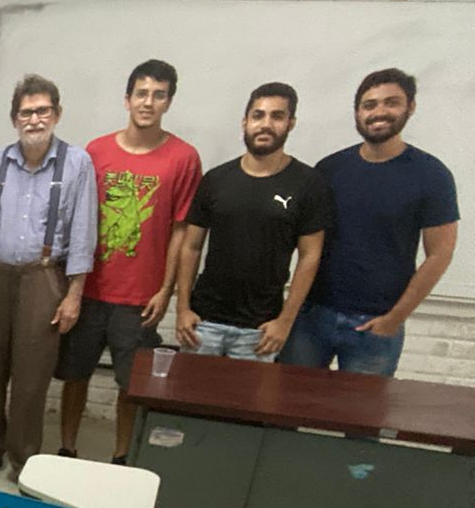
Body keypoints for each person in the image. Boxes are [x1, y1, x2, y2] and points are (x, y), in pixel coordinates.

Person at [56, 58, 201, 464]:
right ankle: (67, 447)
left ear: (168, 102)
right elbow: (79, 220)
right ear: (127, 99)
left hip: (140, 298)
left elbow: (181, 231)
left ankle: (122, 456)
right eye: (141, 93)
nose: (148, 102)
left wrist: (167, 290)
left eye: (158, 95)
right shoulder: (96, 151)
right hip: (91, 291)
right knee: (75, 376)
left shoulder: (183, 158)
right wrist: (72, 286)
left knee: (131, 385)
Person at [0, 73, 96, 482]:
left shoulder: (77, 163)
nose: (34, 120)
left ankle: (25, 460)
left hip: (43, 278)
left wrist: (74, 294)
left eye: (42, 111)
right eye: (25, 112)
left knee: (32, 377)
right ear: (14, 118)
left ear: (57, 114)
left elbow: (84, 231)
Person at [282, 68, 460, 377]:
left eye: (391, 102)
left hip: (375, 325)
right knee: (286, 400)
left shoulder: (432, 176)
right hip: (312, 316)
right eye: (369, 105)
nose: (379, 112)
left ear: (410, 107)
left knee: (362, 408)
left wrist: (394, 318)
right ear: (358, 113)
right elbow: (306, 241)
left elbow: (440, 254)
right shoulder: (330, 169)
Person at [175, 83, 331, 362]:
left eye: (277, 116)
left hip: (260, 330)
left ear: (291, 123)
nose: (266, 124)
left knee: (248, 393)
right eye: (258, 115)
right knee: (189, 392)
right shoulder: (216, 179)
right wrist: (182, 308)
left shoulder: (308, 184)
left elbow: (310, 256)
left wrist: (285, 322)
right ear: (245, 122)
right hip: (203, 323)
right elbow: (191, 246)